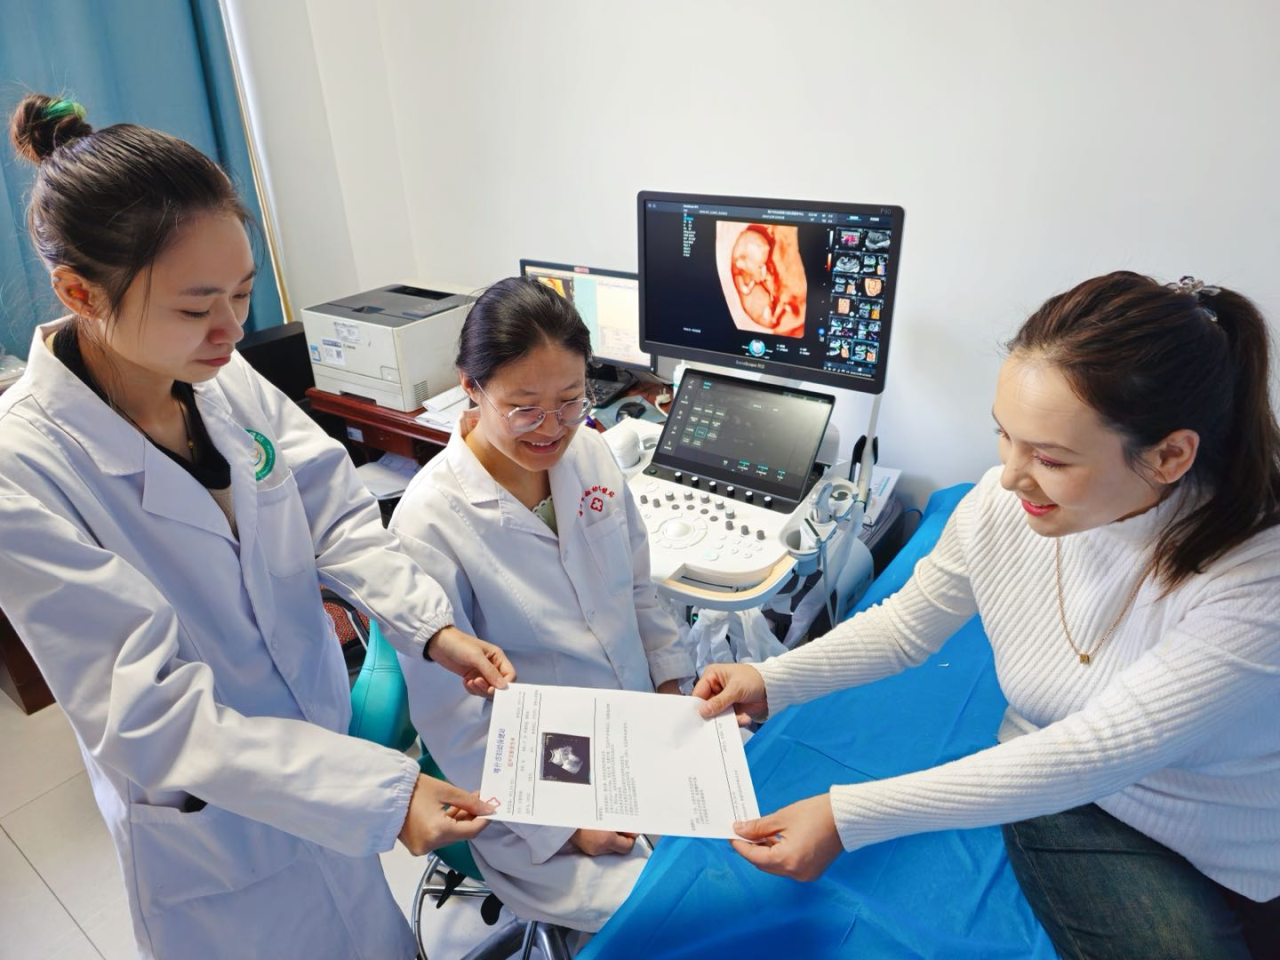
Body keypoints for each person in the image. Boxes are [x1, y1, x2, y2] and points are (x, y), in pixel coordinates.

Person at [0, 95, 515, 960]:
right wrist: (382, 794)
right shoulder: (24, 468)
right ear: (80, 292)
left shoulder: (220, 376)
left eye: (241, 294)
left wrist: (429, 626)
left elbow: (333, 511)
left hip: (318, 760)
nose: (231, 330)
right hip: (212, 834)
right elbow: (150, 712)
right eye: (196, 306)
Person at [695, 272, 1280, 958]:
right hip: (1068, 797)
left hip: (1213, 816)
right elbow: (906, 626)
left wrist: (846, 816)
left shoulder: (1254, 578)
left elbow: (1097, 751)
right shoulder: (1000, 506)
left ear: (1170, 455)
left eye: (1050, 458)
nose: (1009, 476)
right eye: (1005, 436)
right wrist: (772, 680)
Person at [391, 277, 695, 932]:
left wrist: (676, 694)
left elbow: (638, 590)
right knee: (674, 916)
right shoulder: (429, 522)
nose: (552, 429)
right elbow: (454, 720)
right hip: (538, 775)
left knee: (753, 861)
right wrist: (564, 823)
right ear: (470, 388)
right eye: (525, 409)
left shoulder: (590, 453)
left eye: (570, 401)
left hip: (643, 726)